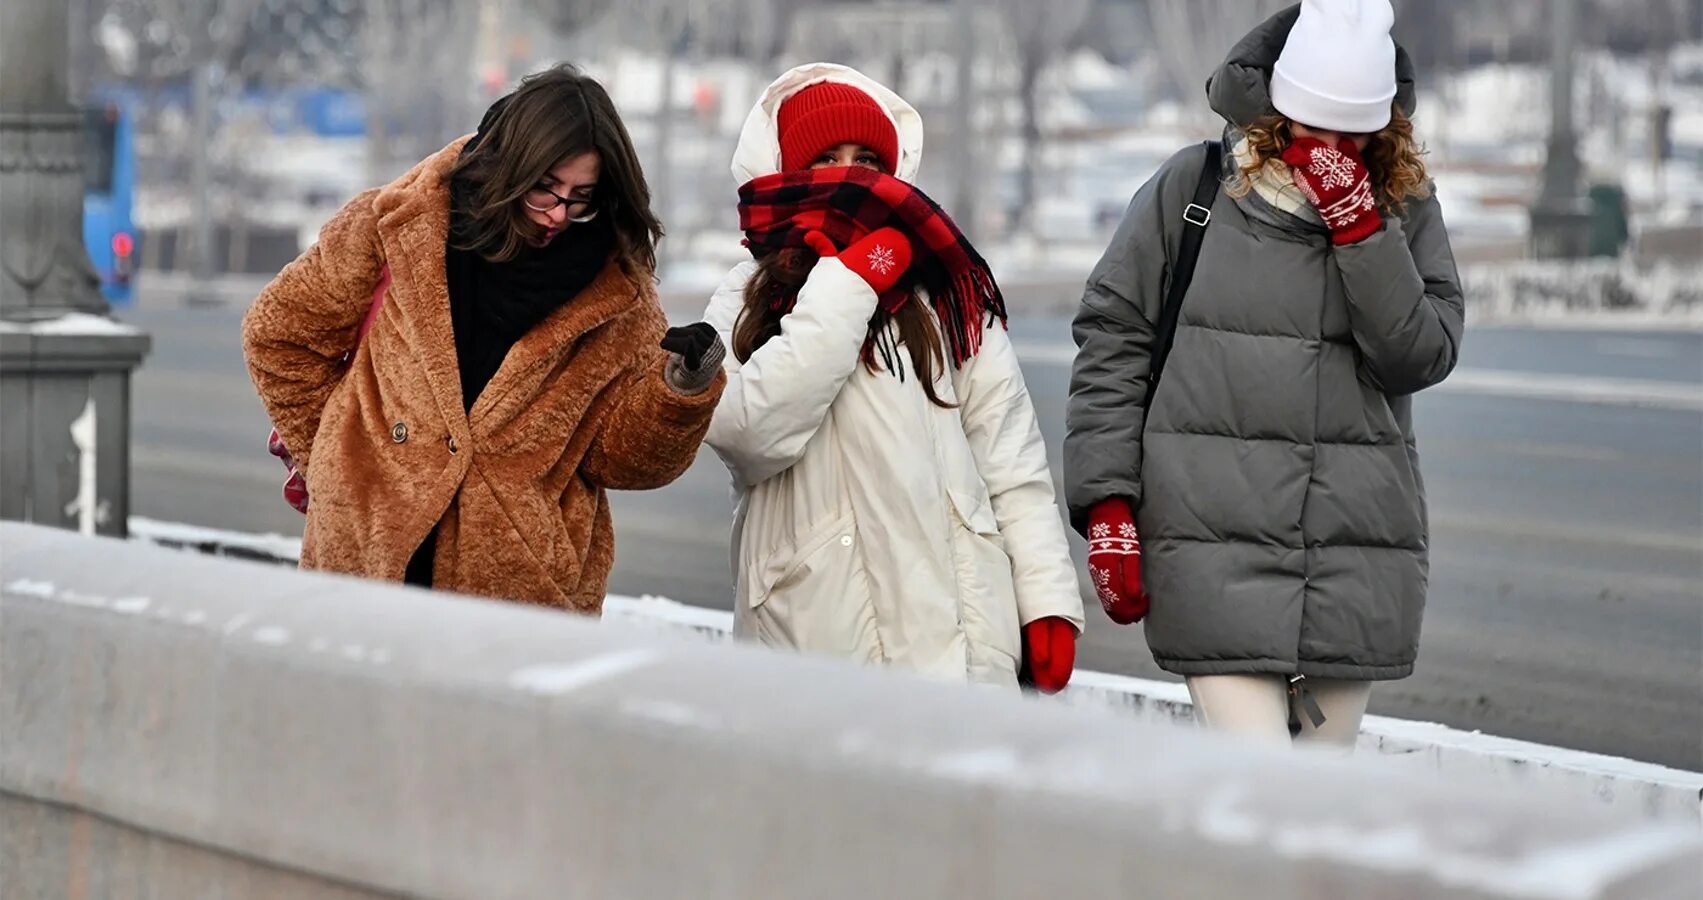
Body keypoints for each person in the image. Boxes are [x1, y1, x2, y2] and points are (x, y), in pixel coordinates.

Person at [1065, 1, 1464, 747]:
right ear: (1279, 116)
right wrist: (1107, 505)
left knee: (1314, 819)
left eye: (1357, 135)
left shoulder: (1403, 208)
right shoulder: (1195, 190)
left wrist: (1362, 230)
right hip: (1212, 550)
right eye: (1317, 131)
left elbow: (1418, 354)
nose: (1337, 150)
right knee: (1259, 791)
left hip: (1353, 555)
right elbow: (1112, 342)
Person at [243, 64, 726, 612]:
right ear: (508, 167)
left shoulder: (619, 293)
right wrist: (341, 468)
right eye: (545, 189)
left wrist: (680, 391)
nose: (560, 214)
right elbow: (280, 336)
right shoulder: (393, 226)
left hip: (520, 600)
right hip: (364, 569)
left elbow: (622, 460)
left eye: (581, 196)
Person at [702, 63, 1085, 691]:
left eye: (867, 160)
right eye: (828, 157)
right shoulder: (743, 299)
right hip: (818, 627)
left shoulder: (948, 291)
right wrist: (851, 281)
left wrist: (1045, 600)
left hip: (961, 624)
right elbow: (751, 434)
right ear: (790, 173)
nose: (852, 175)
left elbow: (1010, 458)